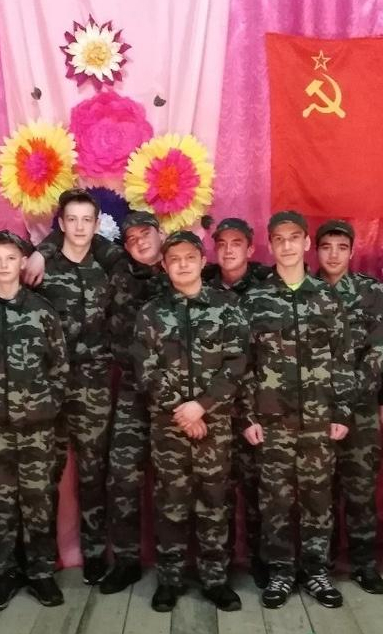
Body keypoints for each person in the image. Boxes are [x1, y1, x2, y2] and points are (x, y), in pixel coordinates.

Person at [241, 210, 355, 609]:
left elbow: (343, 359)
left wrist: (342, 411)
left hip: (319, 419)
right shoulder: (254, 300)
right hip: (271, 420)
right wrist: (247, 416)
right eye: (279, 239)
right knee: (275, 500)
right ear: (270, 245)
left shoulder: (327, 297)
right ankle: (280, 572)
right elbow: (243, 364)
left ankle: (316, 571)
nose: (287, 245)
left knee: (318, 498)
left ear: (306, 243)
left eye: (294, 238)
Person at [133, 230, 250, 612]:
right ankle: (170, 580)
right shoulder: (151, 313)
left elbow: (237, 362)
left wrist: (202, 405)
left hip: (214, 425)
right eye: (174, 259)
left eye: (189, 258)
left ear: (202, 261)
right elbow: (146, 369)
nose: (182, 264)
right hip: (169, 427)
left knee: (215, 501)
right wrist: (182, 411)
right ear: (164, 266)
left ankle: (216, 579)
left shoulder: (227, 308)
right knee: (171, 502)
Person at [0, 230, 69, 611]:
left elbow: (59, 366)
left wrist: (47, 406)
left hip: (38, 428)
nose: (4, 265)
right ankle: (3, 573)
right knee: (0, 502)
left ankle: (41, 572)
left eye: (11, 258)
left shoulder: (41, 311)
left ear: (23, 262)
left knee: (39, 500)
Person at [36, 189, 113, 585]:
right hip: (49, 388)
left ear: (97, 224)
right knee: (44, 473)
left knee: (93, 473)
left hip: (93, 386)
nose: (80, 227)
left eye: (87, 220)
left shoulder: (106, 268)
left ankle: (95, 554)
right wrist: (43, 250)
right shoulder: (41, 268)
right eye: (72, 219)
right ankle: (41, 556)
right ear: (61, 223)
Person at [103, 211, 169, 594]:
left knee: (173, 481)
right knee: (123, 475)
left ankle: (174, 565)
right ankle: (126, 561)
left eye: (146, 233)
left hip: (175, 395)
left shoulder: (185, 266)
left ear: (162, 234)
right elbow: (74, 242)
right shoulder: (118, 274)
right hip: (133, 390)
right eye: (131, 238)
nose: (141, 242)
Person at [316, 219, 383, 593]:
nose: (334, 254)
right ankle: (321, 564)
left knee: (360, 488)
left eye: (342, 247)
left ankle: (363, 564)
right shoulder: (306, 291)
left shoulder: (371, 292)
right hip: (315, 408)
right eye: (326, 246)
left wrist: (353, 398)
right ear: (316, 250)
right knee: (319, 491)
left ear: (353, 251)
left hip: (360, 408)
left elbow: (378, 352)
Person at [204, 217, 270, 587]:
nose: (229, 250)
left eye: (237, 243)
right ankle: (221, 562)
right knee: (218, 489)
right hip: (215, 406)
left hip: (257, 404)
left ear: (250, 247)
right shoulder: (203, 284)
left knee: (258, 485)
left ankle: (262, 559)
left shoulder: (266, 286)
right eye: (222, 243)